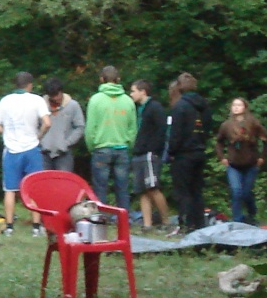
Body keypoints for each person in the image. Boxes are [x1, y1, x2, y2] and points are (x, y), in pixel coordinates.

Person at [0, 71, 51, 235]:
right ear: (30, 85)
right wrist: (39, 135)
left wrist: (7, 132)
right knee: (35, 188)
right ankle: (36, 228)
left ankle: (9, 227)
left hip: (11, 150)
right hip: (31, 148)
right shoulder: (37, 100)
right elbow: (47, 123)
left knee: (9, 189)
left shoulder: (5, 101)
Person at [85, 66, 137, 210]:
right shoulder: (128, 100)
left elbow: (90, 128)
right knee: (123, 187)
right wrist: (129, 145)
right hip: (122, 148)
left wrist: (92, 146)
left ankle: (101, 217)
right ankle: (124, 219)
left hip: (101, 148)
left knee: (100, 187)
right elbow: (133, 129)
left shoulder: (95, 100)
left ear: (101, 79)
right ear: (118, 79)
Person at [167, 72, 213, 233]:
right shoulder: (203, 105)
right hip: (199, 151)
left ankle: (186, 224)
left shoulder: (180, 106)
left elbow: (176, 133)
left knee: (183, 192)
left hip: (183, 154)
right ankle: (199, 225)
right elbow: (207, 127)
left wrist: (171, 151)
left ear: (179, 87)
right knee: (197, 191)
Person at [215, 97, 267, 225]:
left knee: (246, 193)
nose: (236, 107)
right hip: (233, 164)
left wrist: (262, 156)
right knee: (236, 191)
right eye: (234, 105)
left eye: (239, 105)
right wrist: (222, 157)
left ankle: (252, 215)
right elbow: (219, 142)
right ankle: (237, 221)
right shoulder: (226, 125)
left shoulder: (253, 123)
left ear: (244, 107)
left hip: (251, 164)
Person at [129, 79, 172, 234]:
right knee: (142, 190)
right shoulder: (140, 109)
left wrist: (153, 150)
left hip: (149, 154)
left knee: (153, 188)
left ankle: (166, 222)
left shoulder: (155, 107)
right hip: (138, 153)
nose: (131, 94)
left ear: (143, 91)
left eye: (133, 91)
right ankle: (147, 225)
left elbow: (162, 131)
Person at [39, 77, 85, 172]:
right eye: (52, 96)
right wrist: (40, 141)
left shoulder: (73, 105)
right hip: (43, 153)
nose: (55, 99)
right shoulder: (40, 105)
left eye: (57, 95)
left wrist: (67, 143)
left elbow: (80, 127)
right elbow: (33, 125)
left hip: (64, 154)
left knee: (64, 185)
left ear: (61, 91)